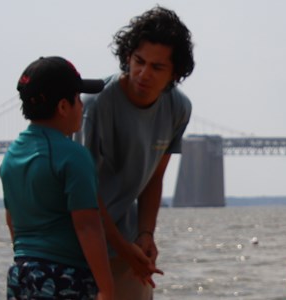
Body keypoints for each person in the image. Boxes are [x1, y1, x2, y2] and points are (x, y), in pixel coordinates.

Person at [80, 5, 194, 299]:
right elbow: (84, 191)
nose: (143, 74)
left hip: (126, 240)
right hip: (79, 242)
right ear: (127, 57)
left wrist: (145, 235)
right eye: (138, 61)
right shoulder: (95, 105)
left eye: (157, 67)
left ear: (175, 73)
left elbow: (154, 178)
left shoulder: (179, 109)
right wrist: (122, 247)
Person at [0, 56, 113, 300]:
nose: (82, 107)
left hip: (22, 273)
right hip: (64, 277)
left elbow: (12, 222)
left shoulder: (11, 155)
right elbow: (88, 225)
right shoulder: (74, 156)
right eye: (78, 99)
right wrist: (106, 289)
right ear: (63, 107)